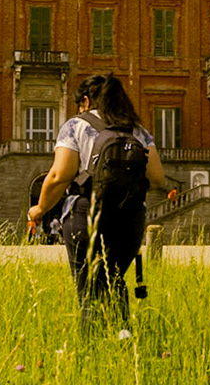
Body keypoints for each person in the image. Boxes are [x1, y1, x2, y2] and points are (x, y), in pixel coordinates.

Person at [27, 74, 170, 329]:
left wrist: (39, 209)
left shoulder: (75, 125)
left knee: (90, 293)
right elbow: (158, 178)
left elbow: (60, 176)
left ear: (85, 101)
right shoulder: (137, 130)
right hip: (130, 218)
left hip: (86, 215)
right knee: (114, 283)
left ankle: (91, 353)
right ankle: (123, 342)